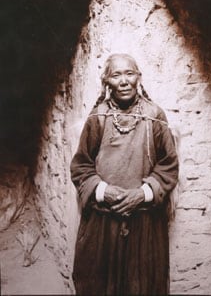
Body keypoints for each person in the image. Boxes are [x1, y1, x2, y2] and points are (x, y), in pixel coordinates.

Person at [70, 53, 179, 295]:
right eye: (116, 74)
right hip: (103, 223)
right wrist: (103, 191)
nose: (124, 81)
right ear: (106, 81)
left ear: (138, 77)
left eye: (129, 73)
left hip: (145, 225)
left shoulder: (155, 116)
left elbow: (169, 165)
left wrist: (143, 194)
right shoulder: (98, 117)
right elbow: (81, 167)